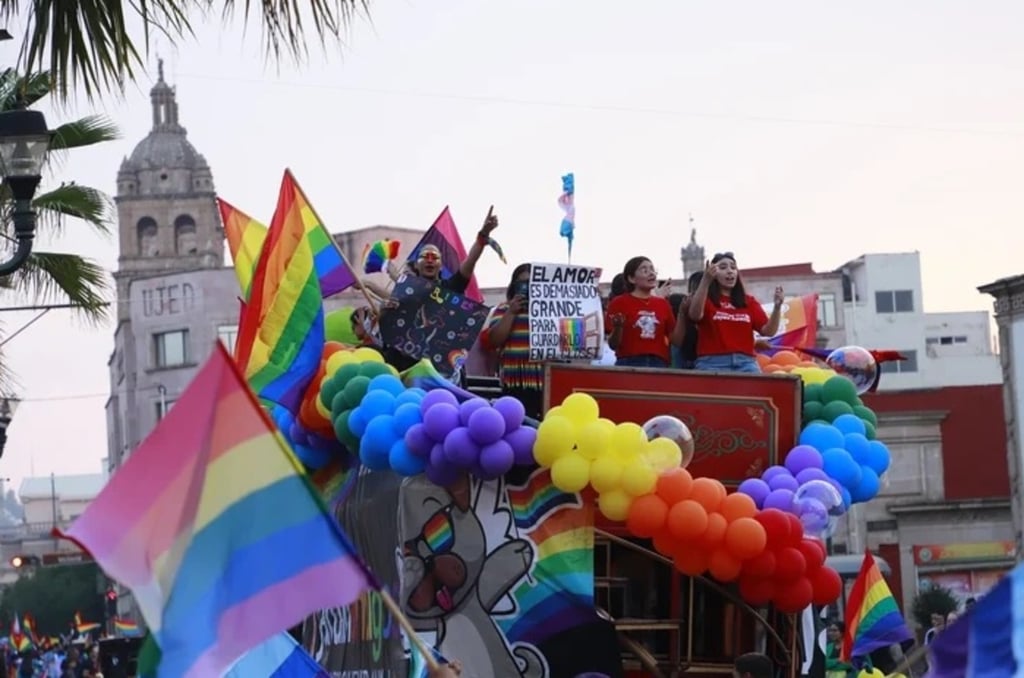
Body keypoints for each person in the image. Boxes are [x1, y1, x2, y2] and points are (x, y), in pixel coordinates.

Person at [381, 211, 500, 370]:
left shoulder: (450, 288)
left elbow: (470, 261)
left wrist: (483, 235)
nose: (430, 260)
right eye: (425, 256)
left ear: (440, 265)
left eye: (435, 257)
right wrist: (384, 311)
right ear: (416, 265)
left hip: (437, 370)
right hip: (401, 366)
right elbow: (386, 327)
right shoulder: (402, 292)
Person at [688, 252, 782, 373]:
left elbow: (769, 331)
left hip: (746, 364)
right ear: (713, 273)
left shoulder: (748, 301)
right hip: (712, 363)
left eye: (733, 267)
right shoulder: (706, 299)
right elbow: (694, 315)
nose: (730, 271)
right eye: (723, 267)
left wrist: (777, 307)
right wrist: (706, 281)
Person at [479, 264, 544, 419]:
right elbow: (494, 340)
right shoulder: (503, 309)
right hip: (514, 380)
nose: (527, 287)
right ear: (514, 286)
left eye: (532, 283)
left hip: (544, 378)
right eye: (522, 283)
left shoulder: (551, 311)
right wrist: (511, 312)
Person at [605, 256, 686, 368]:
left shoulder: (663, 304)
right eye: (645, 270)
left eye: (653, 270)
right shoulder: (618, 303)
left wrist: (682, 314)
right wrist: (618, 327)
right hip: (629, 364)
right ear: (631, 278)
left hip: (659, 364)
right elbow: (613, 345)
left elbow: (676, 341)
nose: (651, 273)